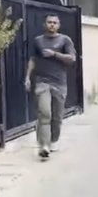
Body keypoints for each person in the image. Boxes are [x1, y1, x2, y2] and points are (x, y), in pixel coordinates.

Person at [24, 14, 76, 160]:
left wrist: (55, 54)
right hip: (42, 81)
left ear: (58, 25)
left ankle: (53, 140)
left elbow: (72, 59)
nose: (52, 25)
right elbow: (32, 59)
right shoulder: (38, 41)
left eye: (54, 22)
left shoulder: (65, 40)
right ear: (44, 24)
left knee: (57, 116)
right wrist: (28, 77)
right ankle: (44, 146)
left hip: (59, 82)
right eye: (49, 22)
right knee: (44, 113)